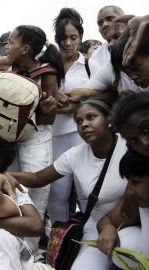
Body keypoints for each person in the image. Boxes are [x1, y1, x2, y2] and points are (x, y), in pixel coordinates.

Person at [8, 99, 128, 270]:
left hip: (132, 222)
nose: (84, 124)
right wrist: (5, 175)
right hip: (95, 228)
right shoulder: (74, 155)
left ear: (108, 119)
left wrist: (111, 225)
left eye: (91, 117)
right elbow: (38, 178)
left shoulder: (130, 145)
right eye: (79, 121)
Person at [0, 24, 65, 224]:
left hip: (34, 138)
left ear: (25, 49)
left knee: (34, 190)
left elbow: (49, 117)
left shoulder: (47, 73)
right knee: (4, 183)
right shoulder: (7, 65)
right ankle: (10, 237)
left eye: (11, 42)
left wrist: (42, 109)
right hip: (4, 137)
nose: (7, 47)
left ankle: (31, 243)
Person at [49, 8, 100, 223]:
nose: (68, 43)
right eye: (63, 38)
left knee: (86, 190)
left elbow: (101, 97)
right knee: (57, 192)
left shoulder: (90, 64)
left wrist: (71, 104)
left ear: (80, 37)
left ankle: (90, 236)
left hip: (82, 135)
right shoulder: (48, 65)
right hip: (52, 135)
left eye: (73, 37)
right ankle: (59, 240)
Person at [96, 150, 149, 266]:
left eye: (135, 182)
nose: (130, 190)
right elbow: (107, 219)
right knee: (124, 242)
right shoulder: (135, 199)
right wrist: (108, 228)